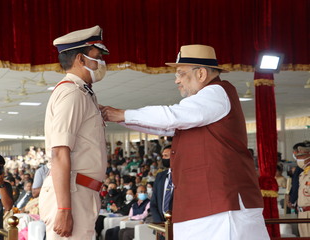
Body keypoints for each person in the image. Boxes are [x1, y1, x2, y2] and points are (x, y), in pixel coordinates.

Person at [101, 44, 269, 239]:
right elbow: (166, 127)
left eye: (181, 73)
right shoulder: (203, 103)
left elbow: (172, 117)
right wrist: (120, 118)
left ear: (201, 74)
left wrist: (122, 114)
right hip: (203, 205)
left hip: (222, 205)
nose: (176, 80)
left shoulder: (216, 92)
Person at [39, 25, 109, 240]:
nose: (101, 63)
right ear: (81, 59)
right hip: (72, 193)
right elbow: (59, 153)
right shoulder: (72, 93)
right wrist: (64, 210)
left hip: (81, 191)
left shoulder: (84, 93)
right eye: (97, 57)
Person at [295, 145, 310, 236]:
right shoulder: (302, 174)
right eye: (297, 157)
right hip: (302, 213)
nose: (298, 159)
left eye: (301, 156)